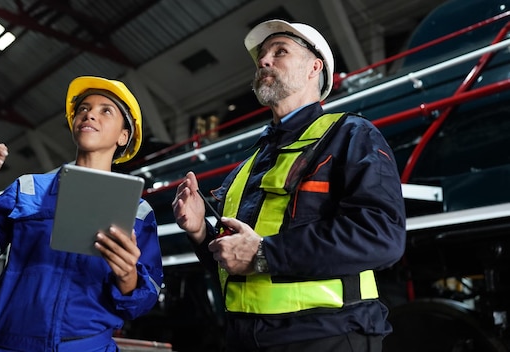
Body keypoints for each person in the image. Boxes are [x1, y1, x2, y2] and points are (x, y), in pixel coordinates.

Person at [172, 20, 406, 351]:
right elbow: (234, 261)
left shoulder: (350, 135)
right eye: (261, 57)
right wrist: (199, 232)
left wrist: (265, 253)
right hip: (245, 338)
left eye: (279, 52)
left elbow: (381, 236)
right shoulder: (249, 164)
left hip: (327, 336)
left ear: (314, 68)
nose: (264, 61)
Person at [0, 76, 164, 352]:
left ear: (123, 136)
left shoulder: (137, 212)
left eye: (106, 110)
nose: (89, 113)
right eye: (83, 108)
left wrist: (128, 275)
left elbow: (143, 300)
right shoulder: (29, 189)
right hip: (8, 345)